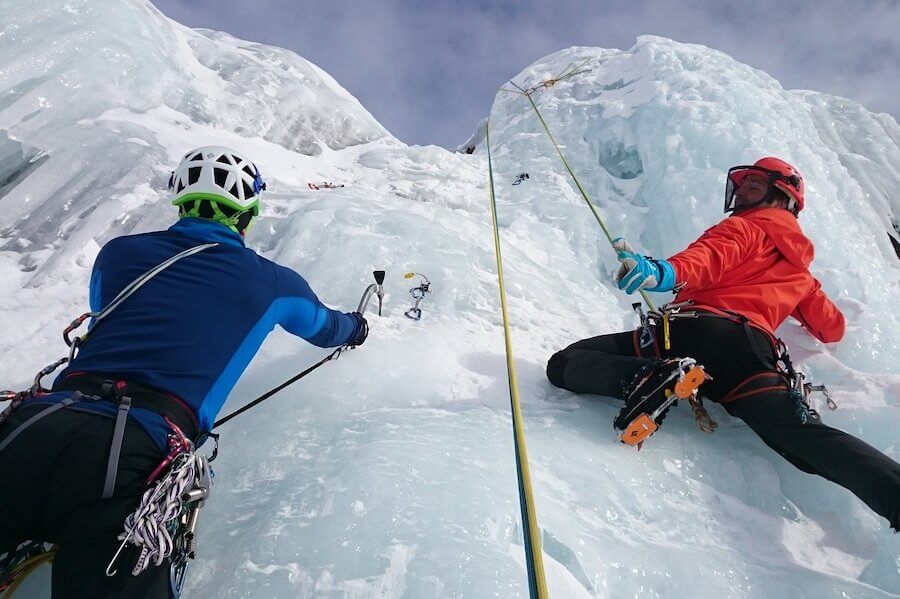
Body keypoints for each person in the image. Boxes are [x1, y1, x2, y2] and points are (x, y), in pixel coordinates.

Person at [0, 146, 369, 597]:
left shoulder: (119, 254)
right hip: (138, 452)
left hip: (35, 424)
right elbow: (323, 326)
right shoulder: (272, 282)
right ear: (248, 216)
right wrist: (359, 327)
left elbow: (105, 315)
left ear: (179, 200)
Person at [546, 156, 900, 531]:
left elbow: (710, 257)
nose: (744, 194)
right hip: (749, 358)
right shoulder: (801, 274)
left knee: (566, 362)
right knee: (804, 439)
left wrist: (662, 272)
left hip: (692, 331)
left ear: (783, 197)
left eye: (755, 187)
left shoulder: (746, 227)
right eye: (742, 188)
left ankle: (654, 376)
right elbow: (832, 328)